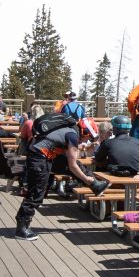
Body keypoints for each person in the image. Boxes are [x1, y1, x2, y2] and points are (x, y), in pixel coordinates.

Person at [15, 101, 107, 240]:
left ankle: (95, 185)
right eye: (89, 137)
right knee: (37, 192)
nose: (87, 140)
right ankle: (22, 227)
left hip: (43, 156)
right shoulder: (72, 136)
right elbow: (72, 166)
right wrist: (85, 178)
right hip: (39, 159)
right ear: (85, 132)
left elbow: (68, 159)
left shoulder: (69, 130)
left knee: (75, 166)